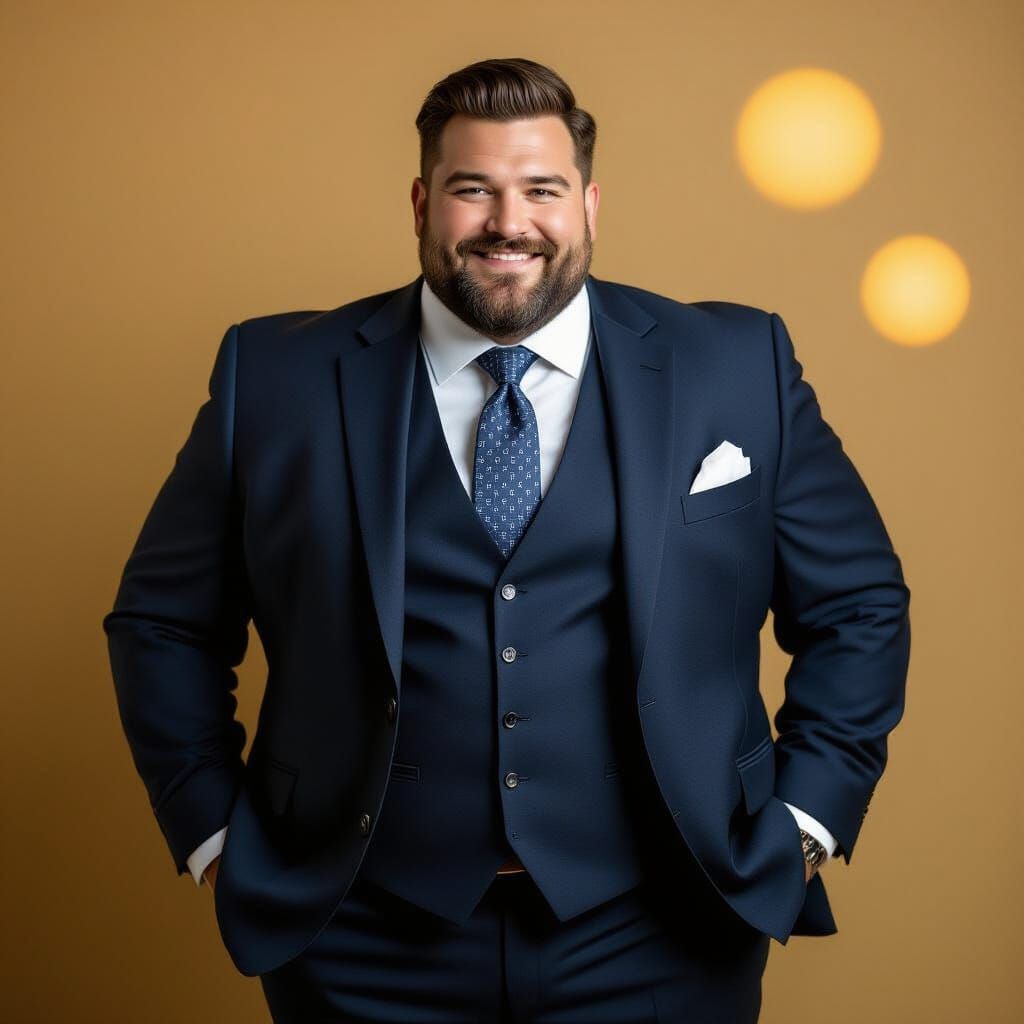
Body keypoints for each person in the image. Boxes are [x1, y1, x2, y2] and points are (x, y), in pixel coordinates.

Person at [104, 56, 911, 1022]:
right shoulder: (274, 378)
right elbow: (162, 622)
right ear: (420, 202)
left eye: (541, 188)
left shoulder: (736, 365)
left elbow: (859, 605)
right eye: (471, 189)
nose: (507, 221)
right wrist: (213, 833)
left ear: (590, 204)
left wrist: (808, 818)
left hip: (668, 925)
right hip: (361, 936)